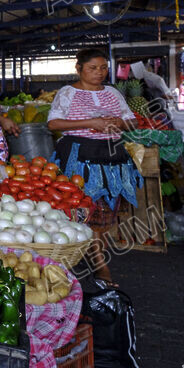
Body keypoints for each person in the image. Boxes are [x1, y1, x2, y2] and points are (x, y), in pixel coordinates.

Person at [47, 48, 142, 283]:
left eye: (103, 68)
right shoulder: (67, 93)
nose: (99, 73)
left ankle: (98, 262)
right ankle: (91, 265)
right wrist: (92, 122)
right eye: (92, 68)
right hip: (79, 160)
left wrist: (120, 122)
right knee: (80, 211)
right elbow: (53, 123)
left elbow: (132, 122)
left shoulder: (112, 93)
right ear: (78, 69)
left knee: (103, 215)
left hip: (112, 161)